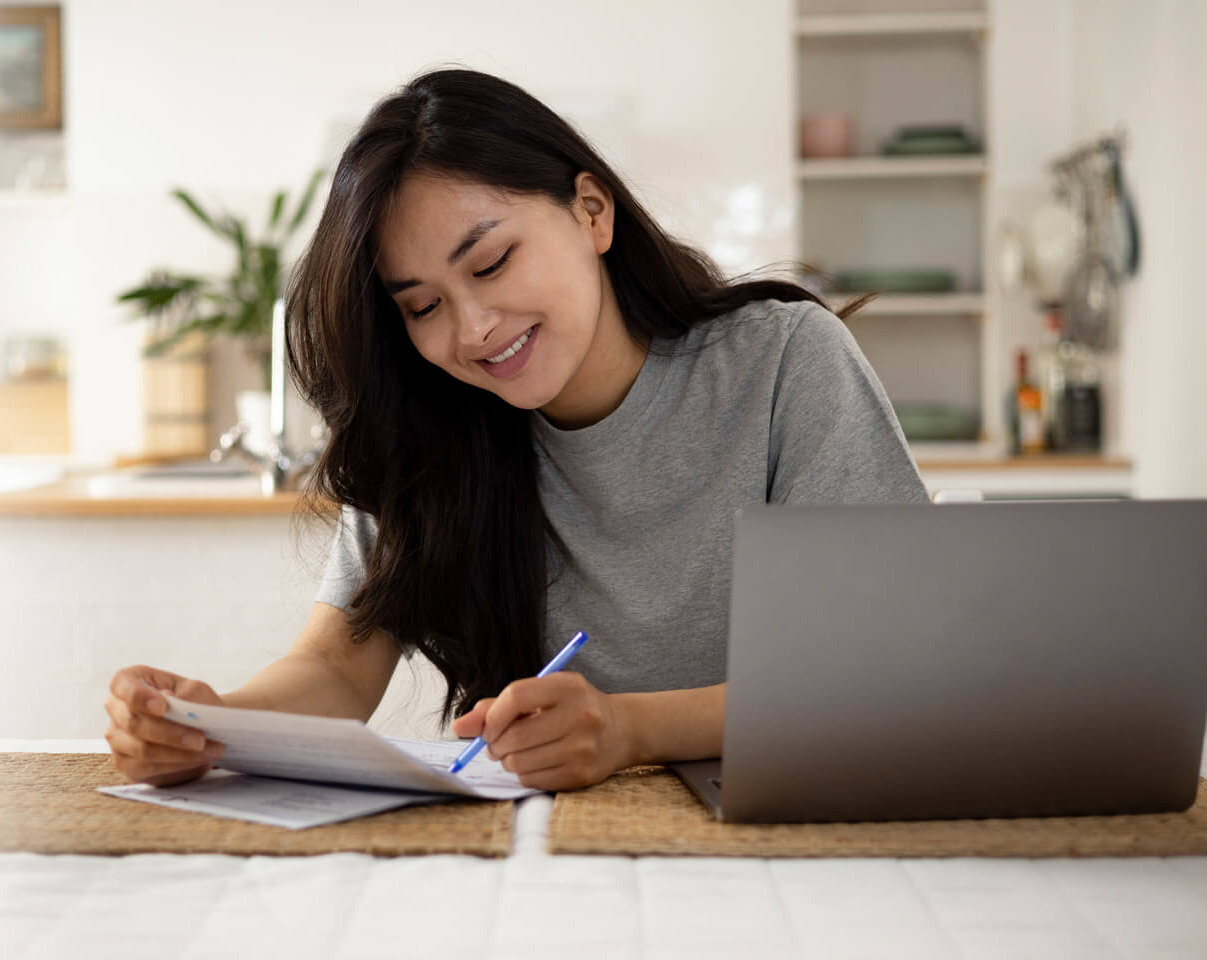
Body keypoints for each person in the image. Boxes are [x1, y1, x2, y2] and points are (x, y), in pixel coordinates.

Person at [103, 68, 929, 791]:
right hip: (539, 849)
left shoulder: (784, 363)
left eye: (491, 263)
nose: (472, 331)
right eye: (423, 305)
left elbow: (878, 664)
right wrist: (212, 724)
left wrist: (630, 730)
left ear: (592, 213)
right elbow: (334, 665)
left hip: (780, 823)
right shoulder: (430, 427)